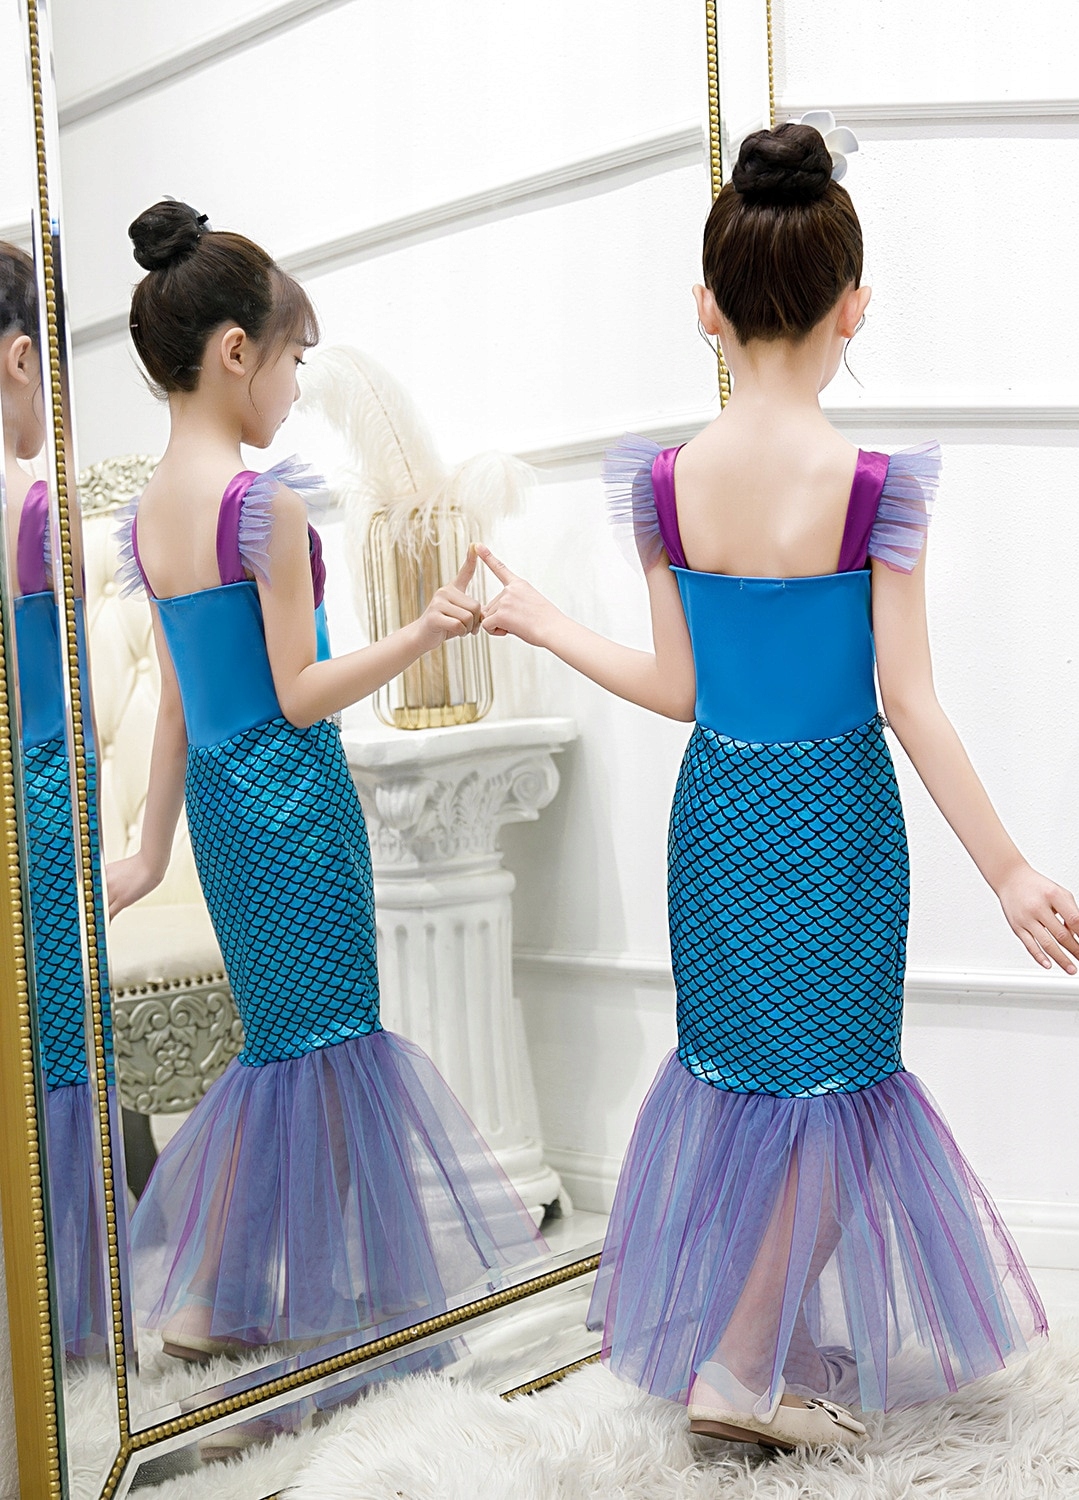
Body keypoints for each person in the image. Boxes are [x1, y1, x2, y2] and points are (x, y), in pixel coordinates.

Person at [473, 123, 1079, 1450]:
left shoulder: (664, 484)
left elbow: (676, 688)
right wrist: (1009, 870)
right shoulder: (872, 489)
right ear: (852, 306)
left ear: (706, 306)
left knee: (755, 1083)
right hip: (836, 824)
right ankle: (745, 1366)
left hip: (717, 820)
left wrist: (543, 621)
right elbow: (909, 700)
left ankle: (753, 1348)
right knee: (840, 1090)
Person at [109, 200, 545, 1362]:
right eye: (292, 358)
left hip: (222, 811)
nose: (297, 387)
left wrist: (151, 849)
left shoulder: (149, 517)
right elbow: (299, 694)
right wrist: (424, 630)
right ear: (234, 353)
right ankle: (267, 1309)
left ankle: (221, 1302)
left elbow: (183, 705)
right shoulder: (262, 505)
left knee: (288, 1051)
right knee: (331, 1045)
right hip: (293, 804)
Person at [2, 241, 112, 1360]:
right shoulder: (39, 510)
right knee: (60, 1041)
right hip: (39, 792)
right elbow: (69, 694)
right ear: (22, 360)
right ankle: (66, 1306)